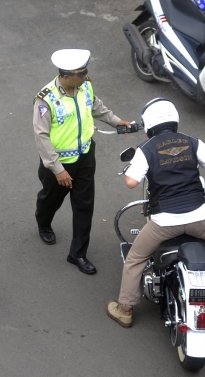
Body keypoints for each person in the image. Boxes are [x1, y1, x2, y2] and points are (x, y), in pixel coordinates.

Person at [106, 98, 205, 328]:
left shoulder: (146, 149)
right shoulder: (191, 142)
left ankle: (125, 309)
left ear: (149, 123)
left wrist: (133, 168)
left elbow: (131, 182)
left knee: (136, 259)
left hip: (163, 222)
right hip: (199, 218)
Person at [33, 48, 130, 275]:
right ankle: (43, 222)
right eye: (81, 73)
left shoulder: (84, 86)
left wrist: (116, 122)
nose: (86, 76)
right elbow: (41, 136)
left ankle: (77, 253)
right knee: (51, 199)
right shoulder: (46, 99)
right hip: (57, 164)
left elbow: (95, 106)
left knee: (84, 206)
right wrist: (58, 170)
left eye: (86, 72)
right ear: (66, 76)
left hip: (85, 157)